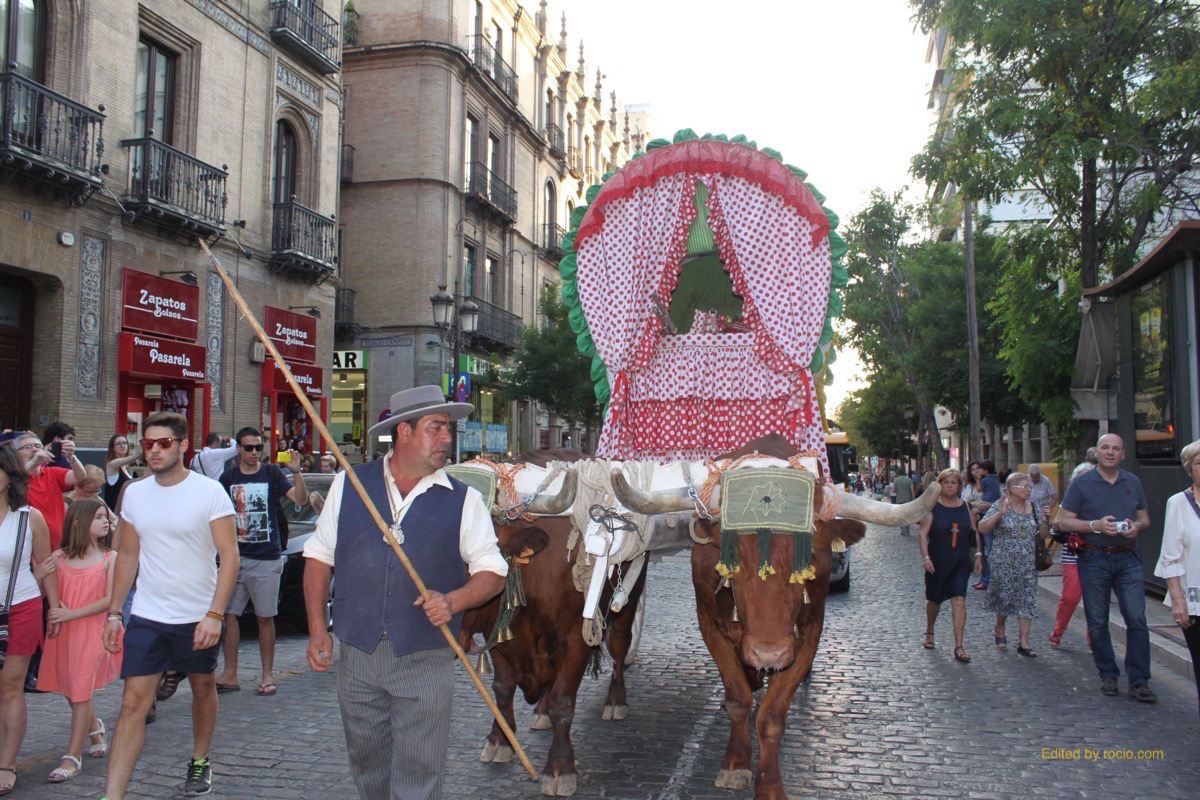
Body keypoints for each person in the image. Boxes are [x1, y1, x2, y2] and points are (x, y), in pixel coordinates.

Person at [303, 385, 507, 800]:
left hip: (425, 655)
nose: (447, 438)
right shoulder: (350, 485)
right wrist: (317, 629)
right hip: (358, 653)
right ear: (404, 432)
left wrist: (453, 601)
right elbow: (319, 559)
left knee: (419, 773)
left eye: (448, 429)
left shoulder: (463, 500)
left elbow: (493, 572)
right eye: (436, 428)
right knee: (368, 767)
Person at [101, 412, 239, 798]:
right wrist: (115, 611)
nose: (154, 450)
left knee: (202, 687)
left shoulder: (209, 492)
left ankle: (200, 759)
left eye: (164, 443)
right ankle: (113, 794)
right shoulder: (135, 493)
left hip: (198, 615)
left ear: (183, 446)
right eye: (148, 443)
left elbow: (230, 557)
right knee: (133, 703)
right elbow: (128, 555)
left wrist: (214, 614)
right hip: (148, 614)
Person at [1054, 434, 1156, 702]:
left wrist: (1137, 527)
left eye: (1116, 449)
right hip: (1093, 558)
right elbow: (1063, 522)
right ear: (1097, 452)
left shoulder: (1132, 482)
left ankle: (1140, 681)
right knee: (1097, 620)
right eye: (1105, 448)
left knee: (1137, 619)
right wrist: (1095, 525)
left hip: (1127, 557)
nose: (1110, 452)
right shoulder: (1081, 483)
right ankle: (1108, 674)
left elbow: (1145, 518)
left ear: (1123, 454)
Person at [214, 428, 308, 696]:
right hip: (234, 556)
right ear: (238, 449)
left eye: (258, 448)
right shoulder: (228, 478)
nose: (254, 452)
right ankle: (230, 674)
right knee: (229, 615)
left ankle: (267, 676)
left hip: (266, 557)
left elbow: (300, 500)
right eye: (249, 448)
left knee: (265, 617)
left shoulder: (272, 473)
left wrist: (296, 472)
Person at [38, 498, 121, 783]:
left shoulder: (110, 558)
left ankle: (72, 756)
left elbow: (110, 599)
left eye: (105, 517)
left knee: (80, 690)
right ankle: (95, 727)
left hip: (93, 631)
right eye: (98, 517)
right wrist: (53, 605)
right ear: (77, 522)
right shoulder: (59, 558)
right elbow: (46, 587)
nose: (105, 522)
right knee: (71, 688)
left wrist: (72, 613)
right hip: (64, 632)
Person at [0, 445, 59, 796]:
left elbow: (46, 565)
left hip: (19, 607)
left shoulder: (28, 517)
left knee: (10, 688)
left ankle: (7, 762)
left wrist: (55, 608)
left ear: (10, 476)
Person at [1153, 438, 1200, 717]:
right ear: (1189, 469)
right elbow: (1170, 555)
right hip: (1195, 603)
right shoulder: (1178, 504)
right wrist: (1178, 600)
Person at [978, 472, 1045, 657]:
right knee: (1004, 597)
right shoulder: (1002, 504)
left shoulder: (1034, 507)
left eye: (1029, 486)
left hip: (1028, 562)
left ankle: (1024, 642)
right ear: (1013, 489)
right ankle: (1000, 627)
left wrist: (1045, 521)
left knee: (1027, 599)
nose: (1029, 490)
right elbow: (982, 527)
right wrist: (999, 513)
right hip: (1004, 561)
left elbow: (1043, 534)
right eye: (1025, 486)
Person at [918, 469, 979, 663]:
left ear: (959, 486)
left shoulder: (967, 507)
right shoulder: (932, 508)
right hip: (938, 560)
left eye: (954, 482)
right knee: (934, 600)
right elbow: (922, 535)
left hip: (960, 561)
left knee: (959, 599)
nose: (950, 486)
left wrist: (978, 556)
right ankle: (930, 630)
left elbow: (974, 532)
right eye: (946, 482)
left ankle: (959, 646)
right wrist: (926, 557)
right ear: (940, 485)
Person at [12, 431, 85, 549]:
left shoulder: (53, 472)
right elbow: (14, 482)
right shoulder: (13, 477)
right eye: (27, 447)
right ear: (15, 454)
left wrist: (71, 457)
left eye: (38, 446)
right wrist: (33, 462)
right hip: (29, 546)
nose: (34, 450)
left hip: (59, 544)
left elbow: (80, 476)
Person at [972, 460, 1002, 590]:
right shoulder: (995, 479)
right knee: (986, 549)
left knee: (988, 549)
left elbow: (979, 489)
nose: (978, 472)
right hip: (989, 511)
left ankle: (988, 578)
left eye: (980, 469)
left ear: (985, 470)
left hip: (987, 511)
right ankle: (986, 578)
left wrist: (978, 479)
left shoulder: (986, 480)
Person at [103, 435, 140, 512]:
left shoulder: (126, 466)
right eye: (119, 443)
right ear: (113, 448)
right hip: (115, 512)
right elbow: (136, 456)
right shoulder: (112, 464)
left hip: (126, 510)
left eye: (124, 443)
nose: (122, 445)